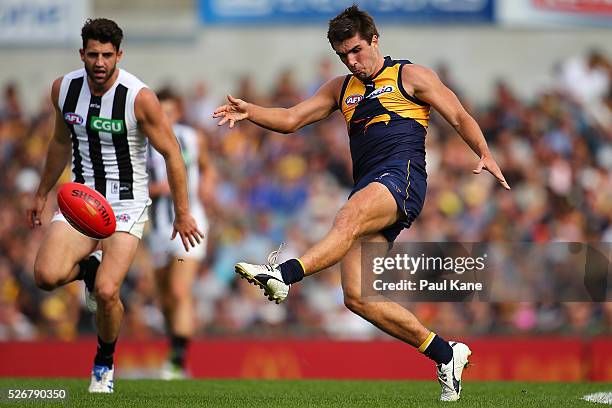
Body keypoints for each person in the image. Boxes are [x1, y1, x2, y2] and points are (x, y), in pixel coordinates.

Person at [213, 5, 510, 402]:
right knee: (357, 298)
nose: (352, 62)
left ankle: (282, 275)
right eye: (343, 56)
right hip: (369, 186)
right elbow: (292, 118)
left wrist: (484, 152)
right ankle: (446, 353)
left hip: (401, 179)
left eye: (356, 51)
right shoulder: (341, 88)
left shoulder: (410, 75)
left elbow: (457, 114)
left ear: (375, 40)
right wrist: (252, 112)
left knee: (346, 216)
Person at [26, 18, 203, 393]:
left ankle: (103, 364)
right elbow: (60, 142)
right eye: (93, 54)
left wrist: (183, 212)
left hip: (127, 202)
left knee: (108, 292)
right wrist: (41, 192)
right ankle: (87, 269)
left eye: (108, 55)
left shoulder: (139, 97)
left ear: (119, 54)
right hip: (81, 200)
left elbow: (173, 154)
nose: (100, 62)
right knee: (45, 277)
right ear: (82, 54)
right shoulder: (63, 89)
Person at [145, 89, 211, 379]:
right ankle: (175, 351)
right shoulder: (142, 141)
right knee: (165, 299)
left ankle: (178, 360)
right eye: (162, 113)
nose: (166, 119)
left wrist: (208, 185)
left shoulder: (192, 138)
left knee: (179, 290)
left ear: (179, 113)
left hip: (191, 223)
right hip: (158, 228)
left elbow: (207, 168)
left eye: (170, 113)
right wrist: (156, 190)